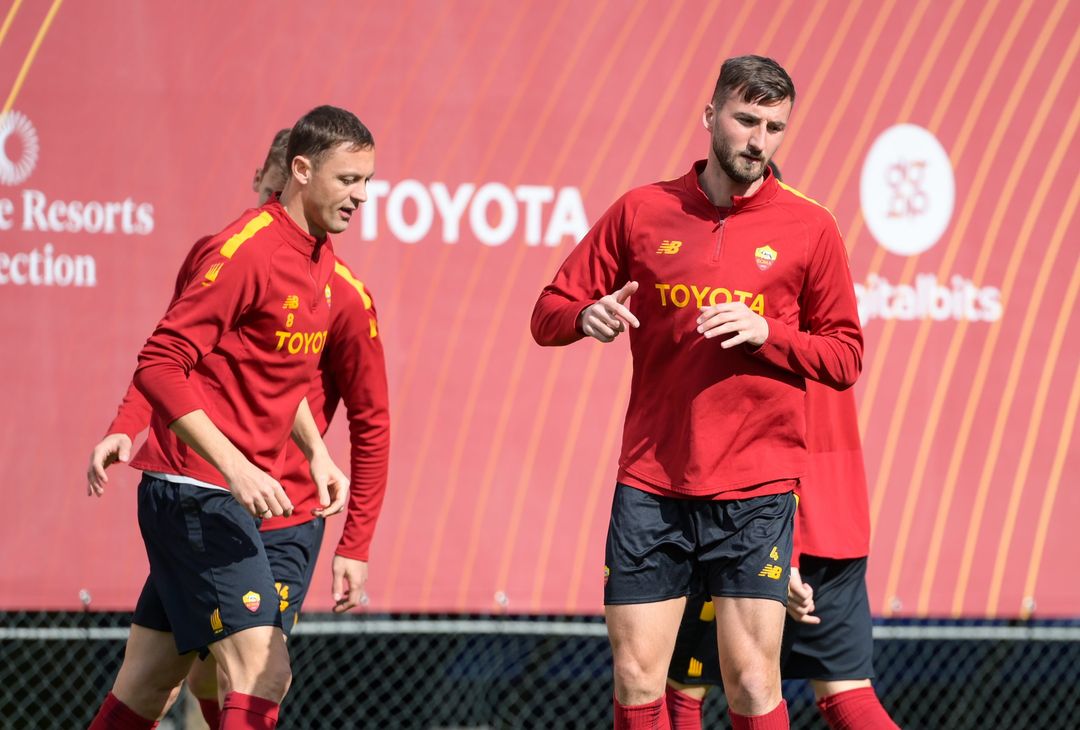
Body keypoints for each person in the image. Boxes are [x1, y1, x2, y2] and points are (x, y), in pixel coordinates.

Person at [531, 56, 862, 730]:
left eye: (774, 127)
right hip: (653, 482)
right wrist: (584, 316)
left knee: (752, 681)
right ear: (710, 115)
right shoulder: (641, 210)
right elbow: (547, 312)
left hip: (757, 489)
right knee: (636, 677)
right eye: (746, 120)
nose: (759, 141)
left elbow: (846, 355)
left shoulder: (812, 226)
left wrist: (768, 333)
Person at [87, 125, 390, 728]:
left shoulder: (323, 265)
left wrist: (317, 453)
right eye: (348, 180)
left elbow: (272, 372)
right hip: (203, 491)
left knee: (149, 686)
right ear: (299, 172)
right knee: (260, 672)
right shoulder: (243, 250)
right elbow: (162, 361)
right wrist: (232, 465)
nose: (361, 195)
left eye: (367, 181)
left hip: (263, 503)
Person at [665, 380, 900, 729]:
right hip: (838, 520)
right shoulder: (833, 343)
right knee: (848, 695)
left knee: (681, 694)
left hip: (763, 530)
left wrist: (787, 555)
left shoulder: (768, 340)